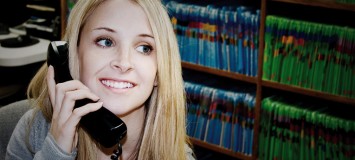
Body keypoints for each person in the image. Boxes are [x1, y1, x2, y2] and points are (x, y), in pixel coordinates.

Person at [5, 0, 195, 159]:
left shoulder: (177, 154)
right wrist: (57, 150)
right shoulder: (35, 131)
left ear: (159, 72)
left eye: (144, 48)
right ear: (74, 55)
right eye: (106, 41)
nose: (123, 62)